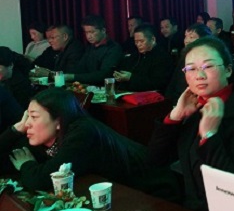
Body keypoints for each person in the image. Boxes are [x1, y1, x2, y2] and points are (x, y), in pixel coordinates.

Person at [148, 37, 234, 211]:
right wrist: (174, 118)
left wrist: (209, 136)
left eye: (208, 66)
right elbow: (155, 159)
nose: (199, 76)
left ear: (228, 70)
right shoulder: (194, 109)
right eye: (191, 69)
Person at [0, 88, 155, 192]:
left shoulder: (82, 133)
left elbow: (42, 181)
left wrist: (26, 165)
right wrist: (14, 130)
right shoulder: (44, 136)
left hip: (148, 191)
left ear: (59, 121)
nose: (27, 123)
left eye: (33, 117)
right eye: (27, 116)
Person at [65, 14, 123, 86]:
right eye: (86, 32)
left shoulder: (113, 48)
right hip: (90, 87)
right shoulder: (90, 47)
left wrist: (73, 77)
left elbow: (104, 75)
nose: (88, 36)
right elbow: (80, 68)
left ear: (103, 30)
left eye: (92, 32)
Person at [113, 24, 174, 92]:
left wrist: (131, 78)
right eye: (136, 41)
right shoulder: (135, 55)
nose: (138, 44)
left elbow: (158, 83)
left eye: (141, 41)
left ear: (153, 39)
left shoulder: (162, 57)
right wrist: (119, 75)